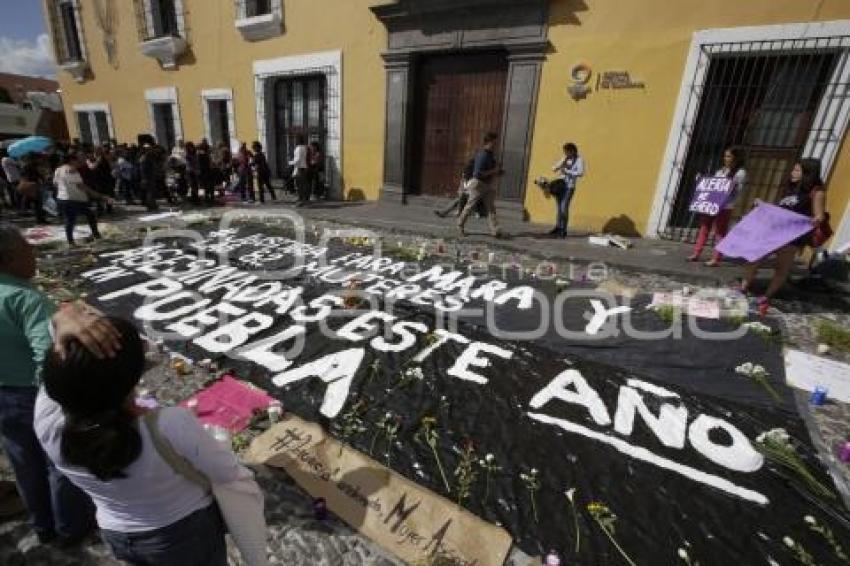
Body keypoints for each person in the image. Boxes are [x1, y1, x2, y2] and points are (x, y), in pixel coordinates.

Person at [36, 316, 261, 566]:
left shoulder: (46, 423)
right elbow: (226, 471)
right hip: (183, 535)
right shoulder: (169, 424)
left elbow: (60, 364)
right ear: (133, 376)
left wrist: (63, 320)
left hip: (117, 533)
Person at [0, 224, 96, 545]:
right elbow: (49, 357)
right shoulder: (26, 299)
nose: (35, 254)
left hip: (3, 395)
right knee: (59, 460)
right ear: (10, 259)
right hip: (34, 394)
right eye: (29, 249)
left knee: (23, 462)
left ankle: (42, 525)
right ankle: (71, 528)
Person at [740, 158, 828, 314]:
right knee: (752, 258)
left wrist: (815, 220)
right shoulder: (792, 188)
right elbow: (782, 210)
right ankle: (744, 287)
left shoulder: (817, 191)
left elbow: (820, 216)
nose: (792, 173)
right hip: (775, 233)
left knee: (781, 269)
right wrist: (763, 204)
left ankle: (767, 296)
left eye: (797, 170)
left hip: (792, 238)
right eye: (793, 170)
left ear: (808, 173)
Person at [688, 147, 747, 266]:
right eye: (725, 156)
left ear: (736, 158)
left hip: (725, 206)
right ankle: (696, 253)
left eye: (729, 156)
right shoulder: (721, 171)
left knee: (720, 232)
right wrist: (701, 180)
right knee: (704, 227)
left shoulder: (740, 173)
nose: (726, 159)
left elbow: (733, 188)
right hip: (712, 203)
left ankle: (716, 258)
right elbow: (713, 185)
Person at [53, 152, 112, 246]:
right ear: (72, 160)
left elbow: (55, 184)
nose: (78, 162)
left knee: (70, 220)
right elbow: (82, 187)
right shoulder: (72, 170)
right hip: (73, 199)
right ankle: (96, 235)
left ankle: (71, 241)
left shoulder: (58, 170)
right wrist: (100, 196)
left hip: (62, 199)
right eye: (76, 160)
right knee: (90, 215)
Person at [457, 131, 504, 238]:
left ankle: (495, 231)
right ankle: (460, 225)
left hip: (487, 185)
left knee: (491, 208)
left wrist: (499, 172)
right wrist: (494, 171)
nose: (496, 145)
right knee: (469, 206)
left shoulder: (491, 155)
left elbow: (491, 171)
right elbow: (477, 173)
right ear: (489, 142)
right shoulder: (482, 155)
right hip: (478, 184)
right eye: (494, 142)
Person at [549, 143, 585, 238]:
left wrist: (567, 171)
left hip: (569, 186)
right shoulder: (564, 159)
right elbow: (554, 168)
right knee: (559, 207)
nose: (566, 153)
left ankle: (563, 229)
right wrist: (557, 167)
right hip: (561, 186)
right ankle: (557, 227)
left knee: (564, 207)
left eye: (567, 151)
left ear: (572, 151)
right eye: (565, 151)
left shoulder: (579, 160)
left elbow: (580, 173)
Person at [19, 154, 49, 224]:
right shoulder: (27, 167)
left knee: (38, 203)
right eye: (39, 158)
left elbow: (38, 175)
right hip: (31, 186)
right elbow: (26, 176)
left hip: (34, 185)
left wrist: (42, 178)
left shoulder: (33, 166)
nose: (40, 160)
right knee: (38, 203)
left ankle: (39, 219)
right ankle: (39, 219)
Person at [138, 143, 159, 211]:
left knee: (151, 192)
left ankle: (153, 204)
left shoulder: (149, 156)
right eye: (148, 149)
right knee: (149, 192)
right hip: (147, 177)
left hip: (151, 176)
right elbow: (142, 169)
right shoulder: (144, 158)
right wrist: (144, 178)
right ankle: (150, 206)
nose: (150, 150)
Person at [290, 135, 310, 207]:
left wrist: (290, 162)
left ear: (297, 140)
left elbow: (297, 160)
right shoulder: (304, 148)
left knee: (298, 186)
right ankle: (302, 201)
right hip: (303, 168)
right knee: (302, 186)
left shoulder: (298, 148)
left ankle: (300, 202)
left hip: (299, 169)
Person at [197, 139, 214, 205]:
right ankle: (208, 198)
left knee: (210, 185)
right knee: (207, 185)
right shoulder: (201, 154)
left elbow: (211, 161)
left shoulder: (208, 152)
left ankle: (210, 198)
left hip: (208, 170)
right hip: (204, 170)